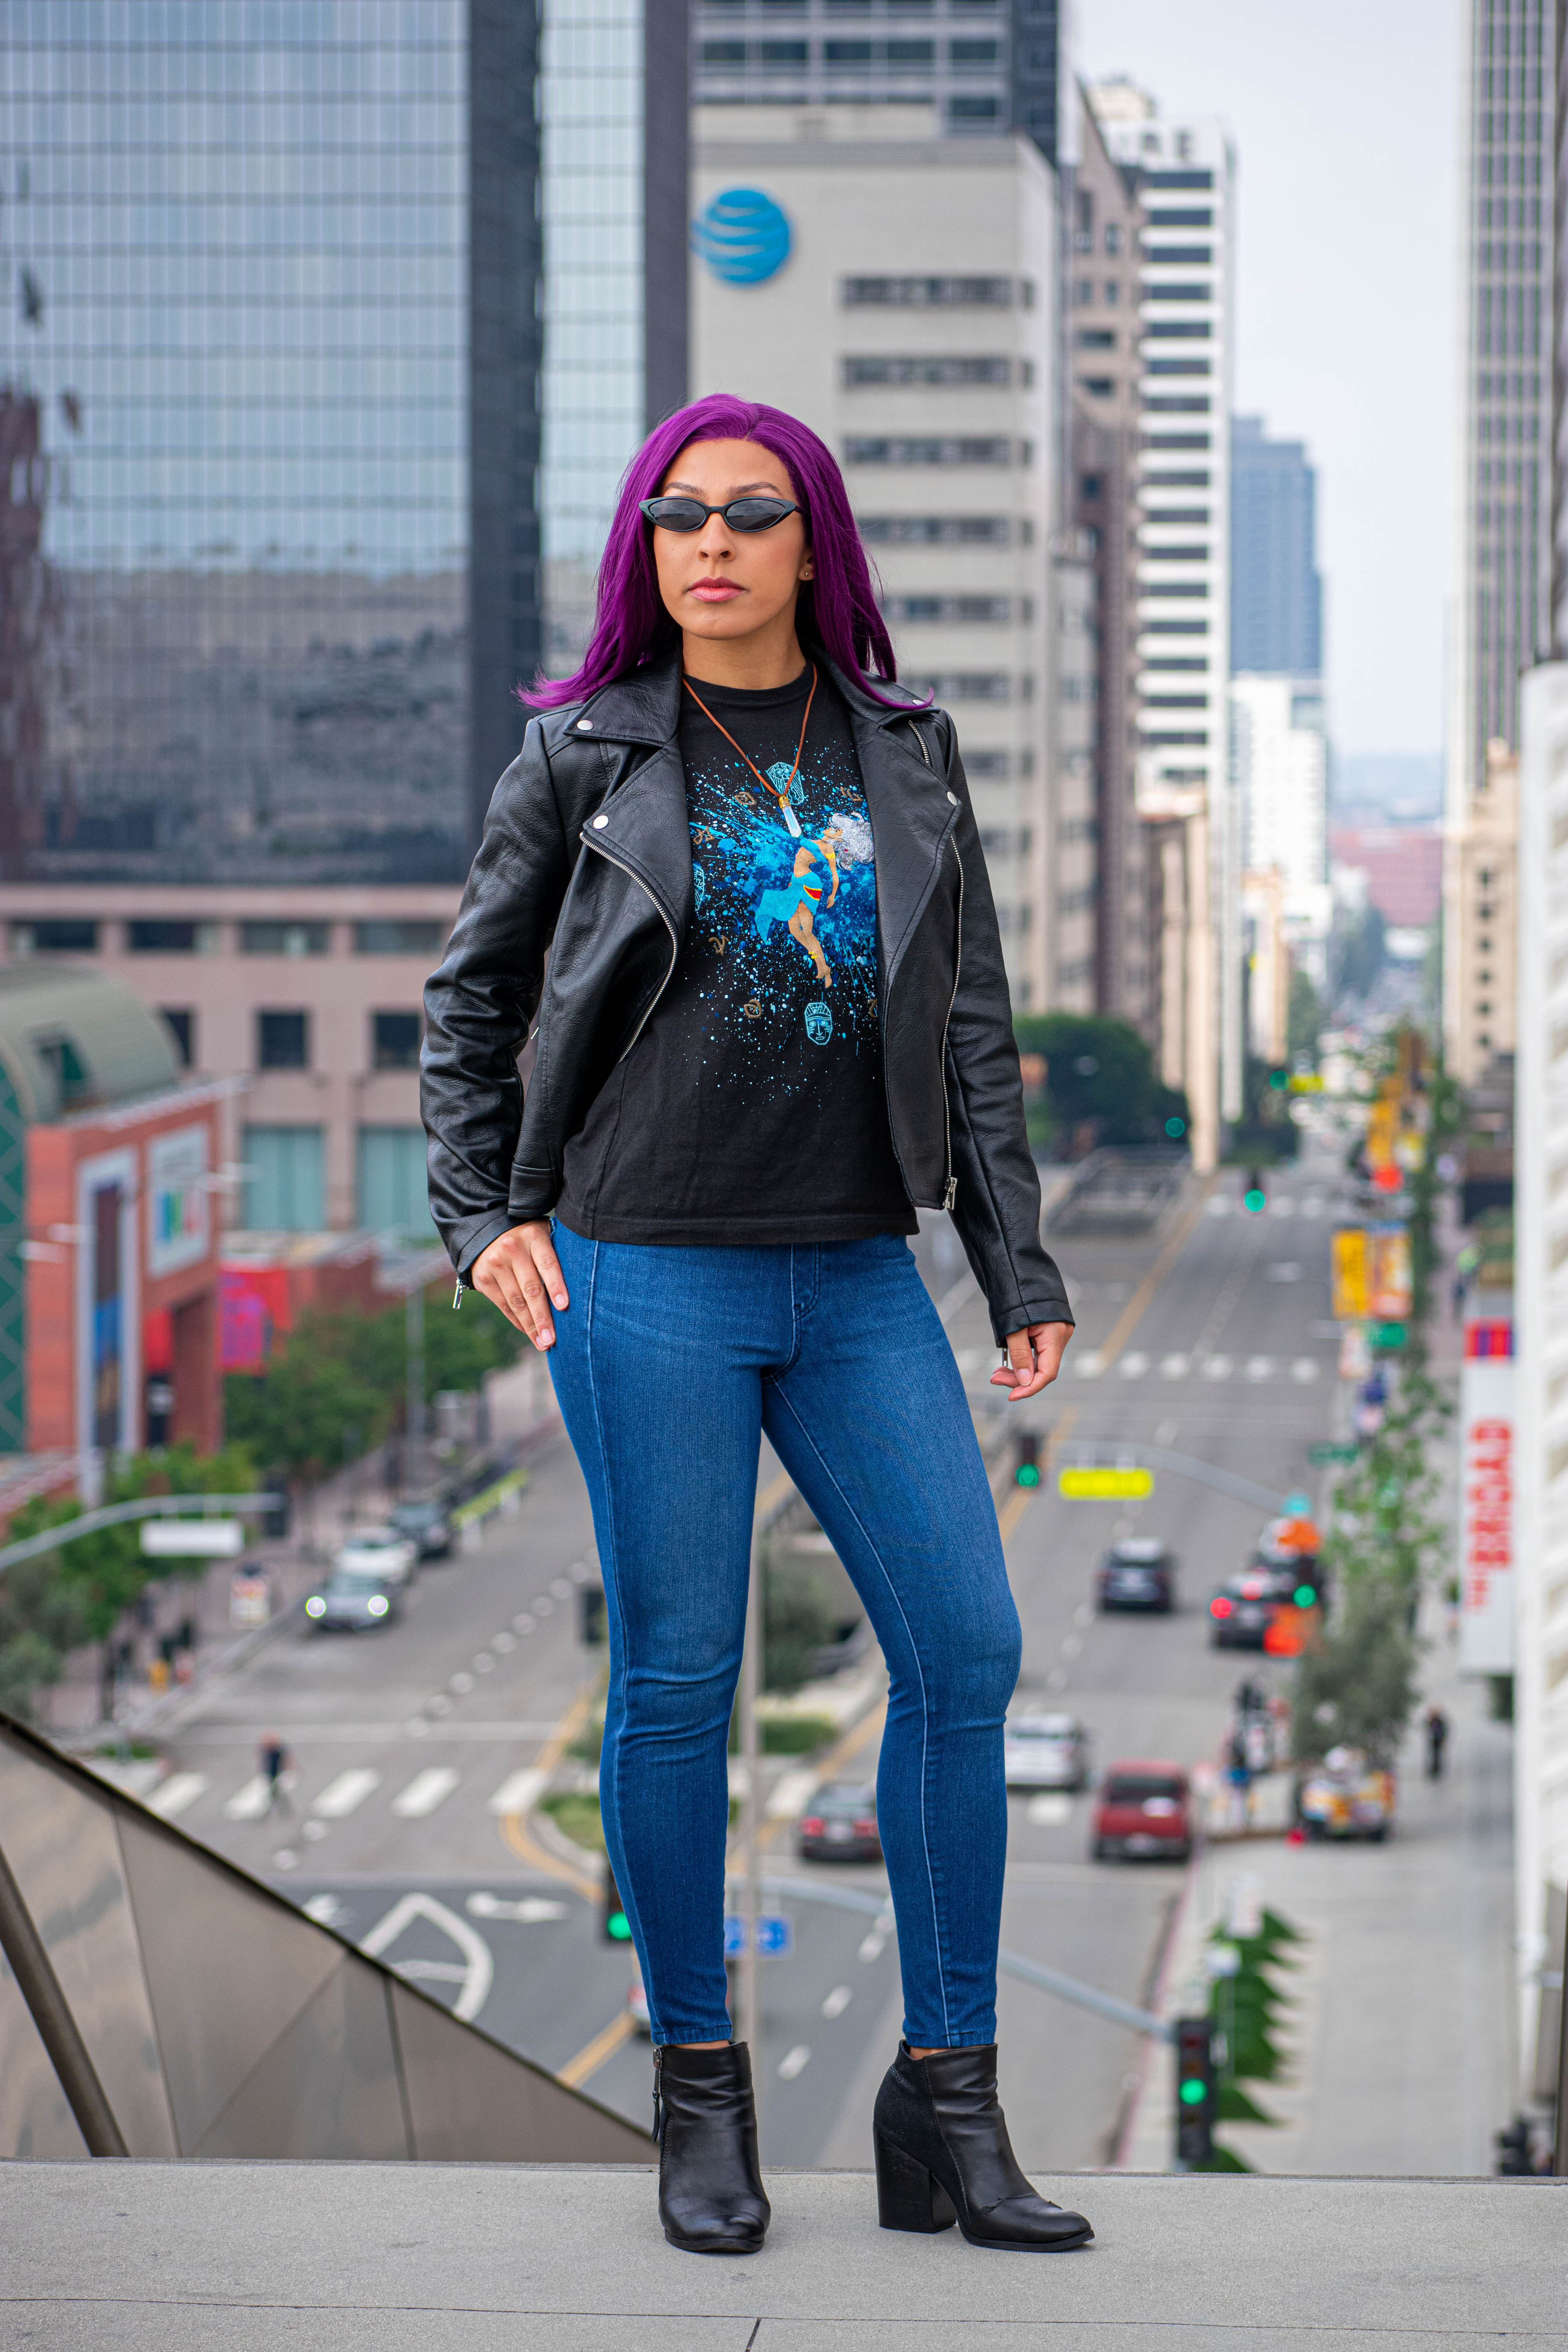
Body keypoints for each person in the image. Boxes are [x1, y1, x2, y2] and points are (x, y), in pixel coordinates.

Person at [422, 397, 1090, 2259]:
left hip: (856, 1273)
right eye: (677, 513)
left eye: (750, 512)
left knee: (964, 1650)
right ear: (647, 548)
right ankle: (696, 2092)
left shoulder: (902, 747)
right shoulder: (579, 754)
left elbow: (967, 1023)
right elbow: (468, 1003)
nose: (709, 539)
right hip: (647, 1278)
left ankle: (941, 2099)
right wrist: (483, 1218)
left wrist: (1013, 1268)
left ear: (813, 548)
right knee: (675, 1683)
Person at [257, 1732, 292, 1817]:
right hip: (271, 1775)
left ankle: (269, 1813)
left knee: (274, 1794)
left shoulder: (278, 1752)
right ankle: (283, 1811)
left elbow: (284, 1761)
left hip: (277, 1775)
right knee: (275, 1794)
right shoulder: (269, 1752)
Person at [1424, 1703, 1449, 1780]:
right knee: (1432, 1755)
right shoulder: (1431, 1721)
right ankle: (1432, 1770)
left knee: (1438, 1755)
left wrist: (1443, 1738)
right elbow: (1427, 1729)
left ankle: (1437, 1770)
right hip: (1432, 1740)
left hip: (1439, 1740)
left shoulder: (1440, 1722)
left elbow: (1444, 1730)